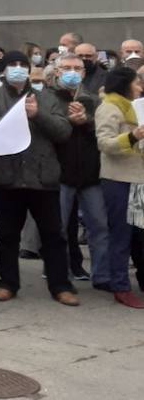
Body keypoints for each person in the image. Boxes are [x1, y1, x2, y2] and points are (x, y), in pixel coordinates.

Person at [0, 51, 77, 306]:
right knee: (7, 235)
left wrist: (38, 115)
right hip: (8, 177)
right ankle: (7, 283)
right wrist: (15, 116)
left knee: (53, 235)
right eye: (13, 65)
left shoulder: (47, 98)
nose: (18, 69)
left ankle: (60, 285)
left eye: (23, 65)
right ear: (6, 69)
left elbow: (63, 131)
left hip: (43, 178)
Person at [52, 48, 110, 290]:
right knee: (59, 229)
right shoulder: (48, 99)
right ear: (57, 72)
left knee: (100, 227)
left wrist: (87, 122)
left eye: (77, 69)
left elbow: (105, 131)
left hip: (91, 175)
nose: (72, 73)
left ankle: (103, 276)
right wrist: (67, 121)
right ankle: (60, 277)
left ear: (84, 72)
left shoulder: (95, 100)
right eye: (67, 69)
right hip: (59, 174)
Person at [94, 64, 144, 308]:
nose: (140, 86)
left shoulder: (133, 106)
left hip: (137, 178)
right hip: (118, 179)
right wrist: (134, 136)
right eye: (136, 82)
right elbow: (105, 143)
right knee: (121, 235)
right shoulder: (110, 107)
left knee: (139, 235)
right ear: (125, 84)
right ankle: (120, 286)